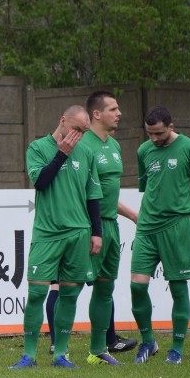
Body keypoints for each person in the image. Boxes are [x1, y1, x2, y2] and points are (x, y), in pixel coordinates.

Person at [11, 105, 102, 369]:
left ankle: (60, 354)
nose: (79, 136)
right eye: (76, 129)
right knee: (37, 293)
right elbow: (40, 182)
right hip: (48, 233)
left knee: (70, 295)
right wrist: (61, 155)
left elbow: (93, 195)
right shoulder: (37, 148)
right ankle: (28, 355)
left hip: (79, 233)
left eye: (84, 132)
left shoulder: (87, 152)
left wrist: (97, 232)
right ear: (62, 121)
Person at [129, 107, 190, 364]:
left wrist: (187, 220)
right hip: (147, 227)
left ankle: (176, 348)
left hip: (177, 226)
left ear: (171, 126)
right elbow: (148, 187)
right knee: (137, 285)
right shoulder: (143, 151)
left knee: (177, 287)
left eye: (159, 133)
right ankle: (148, 341)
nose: (154, 138)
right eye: (149, 133)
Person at [79, 91, 139, 364]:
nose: (119, 113)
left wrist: (133, 216)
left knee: (105, 288)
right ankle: (59, 350)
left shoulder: (113, 145)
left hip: (111, 227)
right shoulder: (82, 144)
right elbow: (80, 192)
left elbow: (109, 196)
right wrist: (91, 228)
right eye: (113, 109)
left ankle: (97, 350)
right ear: (97, 114)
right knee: (68, 288)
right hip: (87, 228)